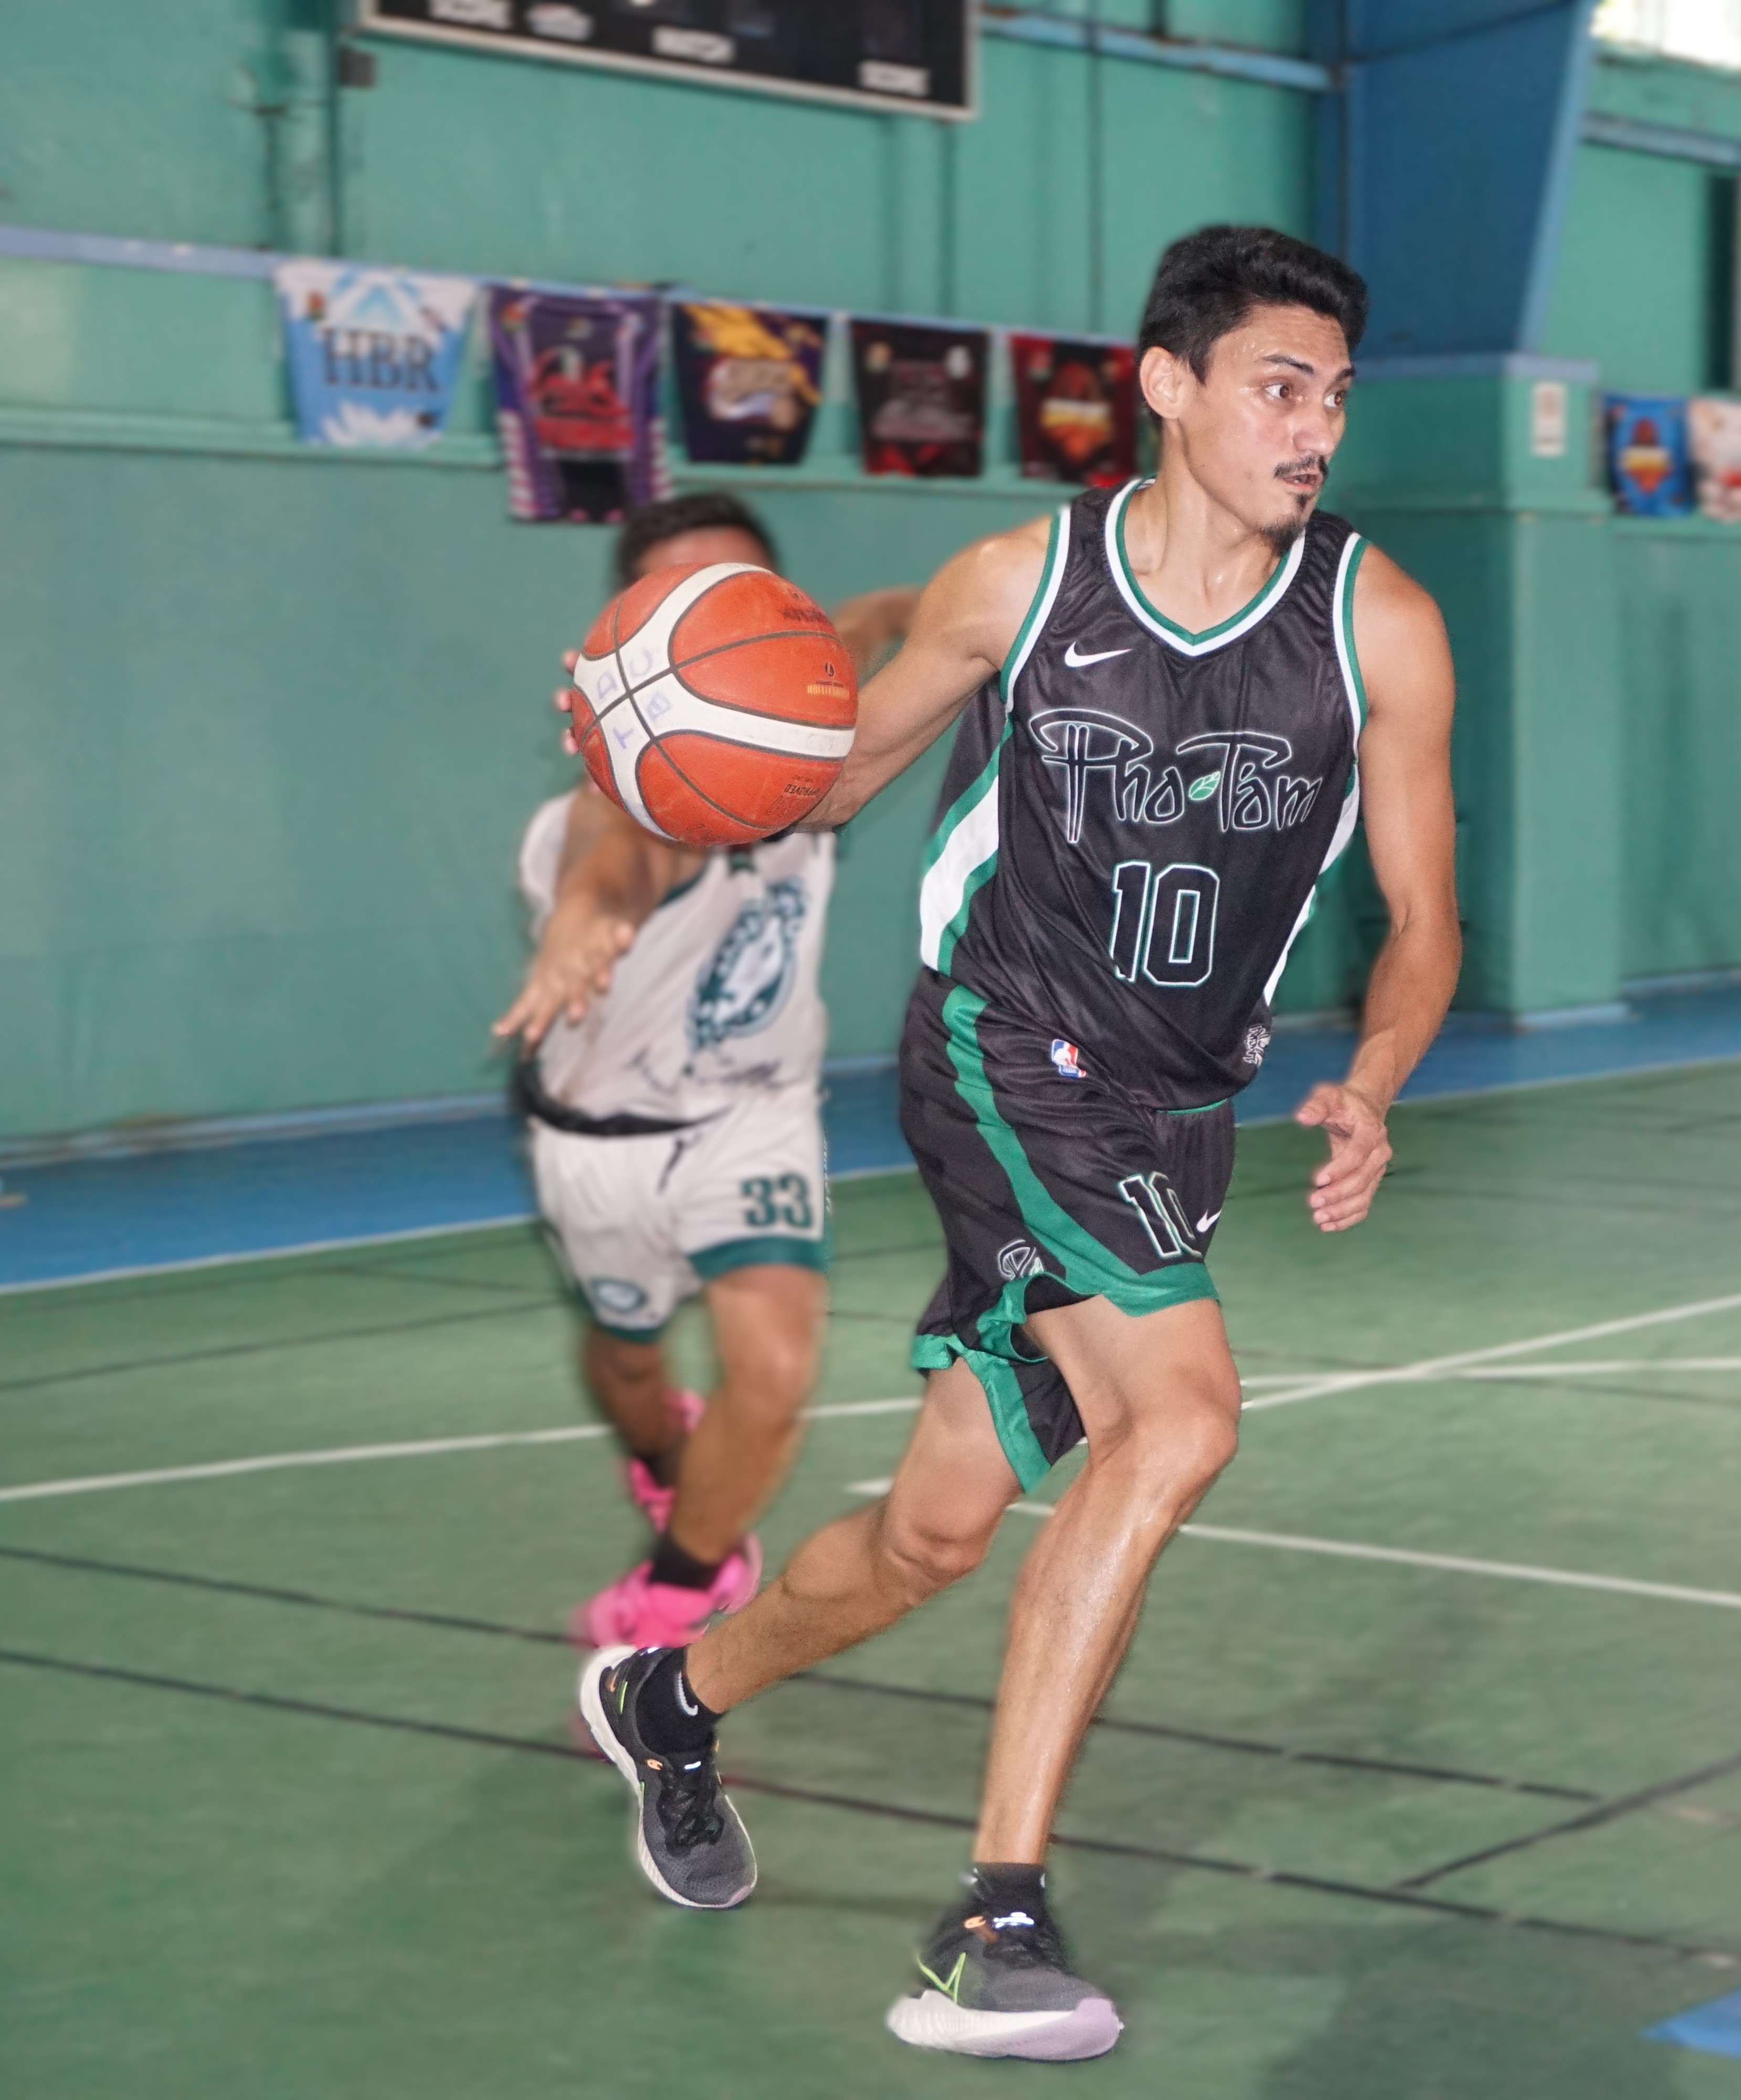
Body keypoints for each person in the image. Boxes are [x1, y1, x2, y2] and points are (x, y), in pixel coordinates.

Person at [574, 226, 1462, 2062]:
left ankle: (670, 1697)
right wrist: (656, 738)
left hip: (1181, 1111)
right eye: (1280, 387)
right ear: (1169, 385)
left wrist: (1378, 1071)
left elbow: (1425, 916)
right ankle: (997, 1926)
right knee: (1183, 1416)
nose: (1314, 430)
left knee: (932, 1535)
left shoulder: (1377, 624)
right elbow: (813, 780)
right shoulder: (1022, 584)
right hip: (1003, 1055)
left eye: (1334, 398)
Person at [496, 493, 873, 1651]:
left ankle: (677, 1588)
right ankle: (665, 1456)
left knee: (773, 1368)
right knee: (627, 1363)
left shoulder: (809, 728)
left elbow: (888, 622)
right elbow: (617, 858)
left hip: (751, 1118)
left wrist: (940, 615)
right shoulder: (602, 805)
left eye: (743, 597)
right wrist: (579, 925)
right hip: (598, 1140)